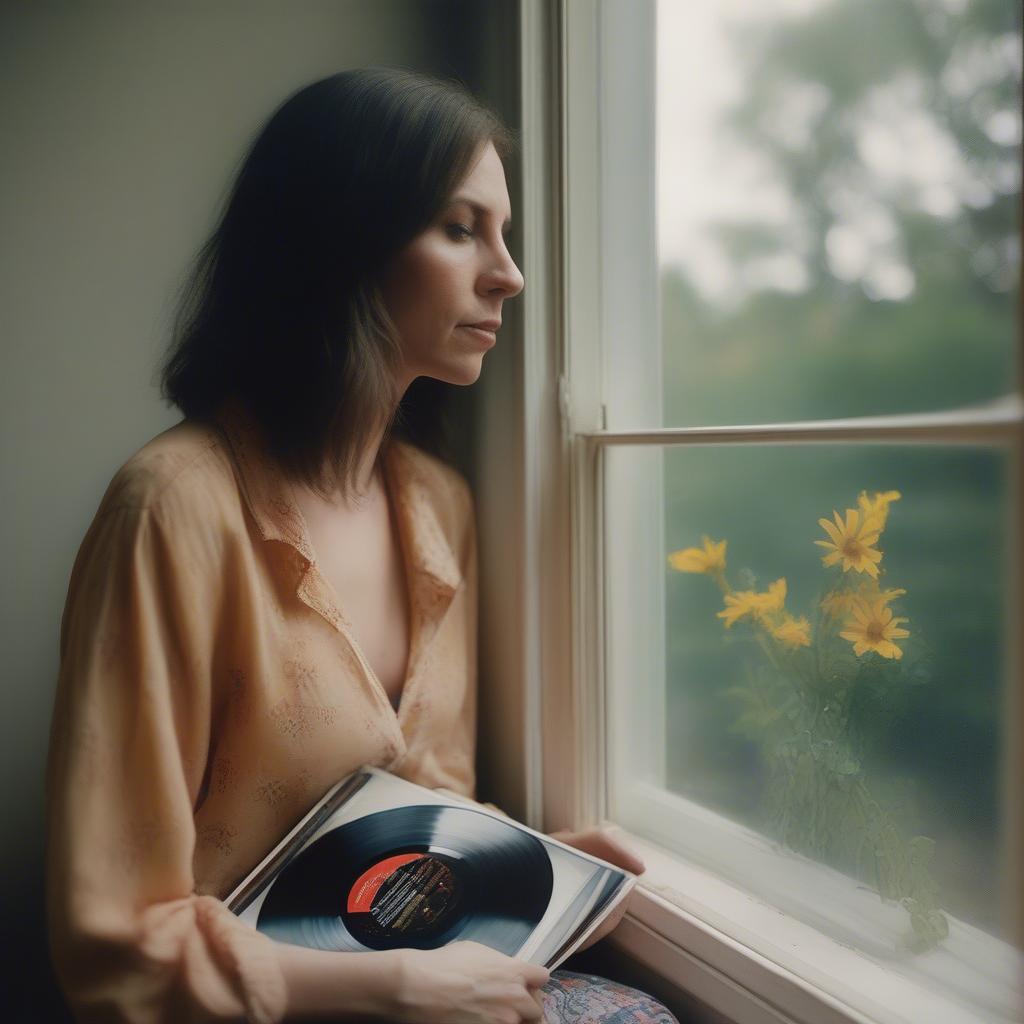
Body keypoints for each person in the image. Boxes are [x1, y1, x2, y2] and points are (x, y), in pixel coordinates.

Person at [45, 67, 679, 1023]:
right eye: (462, 229)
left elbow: (411, 816)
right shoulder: (171, 509)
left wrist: (543, 869)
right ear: (341, 242)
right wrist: (384, 988)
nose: (508, 272)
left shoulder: (437, 505)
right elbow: (112, 940)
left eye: (501, 234)